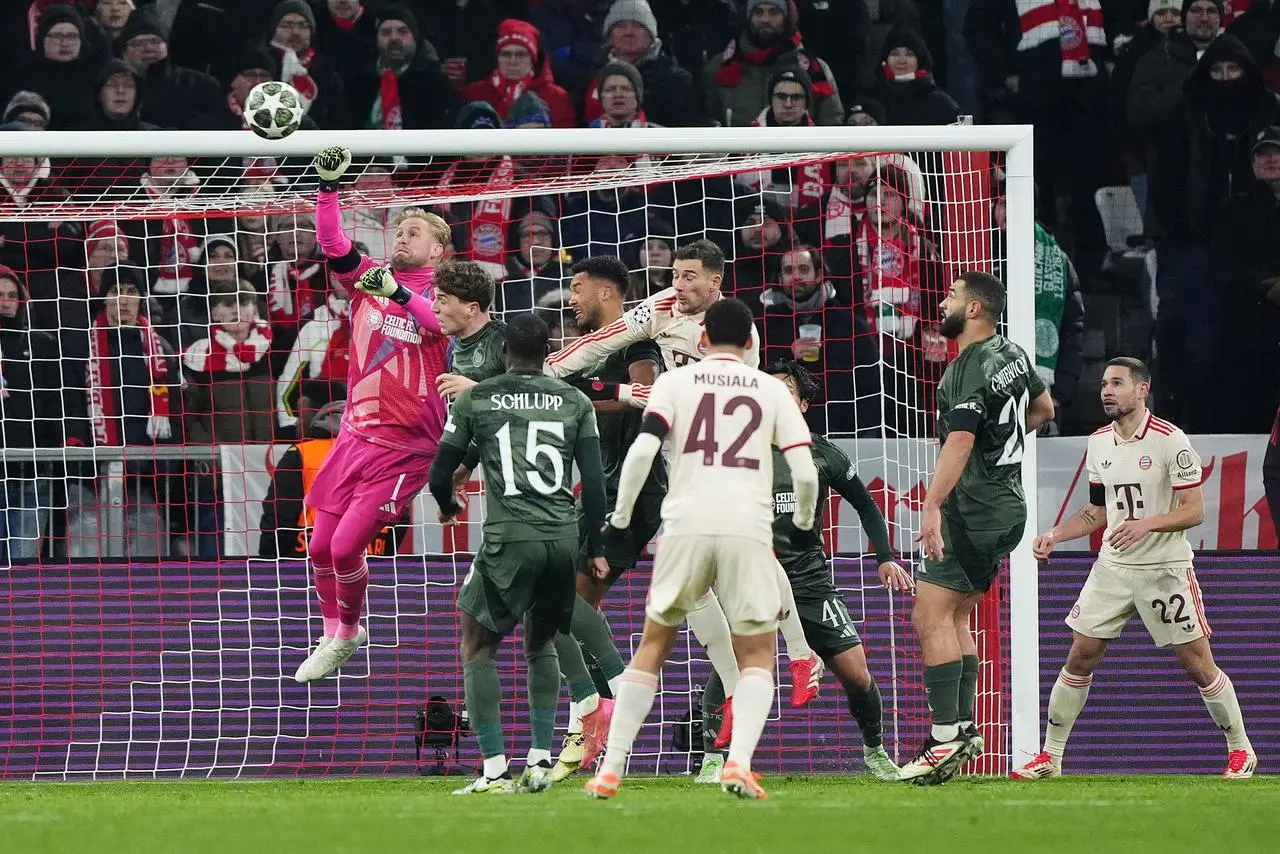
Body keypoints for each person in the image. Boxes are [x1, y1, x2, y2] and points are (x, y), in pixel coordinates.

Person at [543, 240, 826, 738]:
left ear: (715, 284)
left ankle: (801, 657)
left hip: (726, 461)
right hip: (681, 462)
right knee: (691, 586)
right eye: (675, 275)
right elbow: (602, 341)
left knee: (750, 563)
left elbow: (728, 402)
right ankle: (744, 689)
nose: (678, 285)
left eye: (690, 277)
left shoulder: (741, 338)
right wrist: (547, 370)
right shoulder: (660, 308)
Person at [584, 299, 819, 801]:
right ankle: (738, 764)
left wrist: (620, 518)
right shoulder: (770, 390)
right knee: (757, 654)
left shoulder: (673, 383)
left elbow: (643, 451)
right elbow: (804, 470)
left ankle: (613, 767)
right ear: (752, 343)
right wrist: (800, 524)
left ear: (702, 340)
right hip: (746, 531)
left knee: (651, 649)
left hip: (685, 527)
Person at [1013, 358, 1257, 781]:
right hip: (1113, 566)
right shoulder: (1099, 442)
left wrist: (1146, 524)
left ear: (1142, 390)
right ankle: (1050, 758)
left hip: (1164, 568)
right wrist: (1055, 534)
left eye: (1117, 383)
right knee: (1080, 655)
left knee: (1198, 663)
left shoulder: (1171, 441)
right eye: (1104, 383)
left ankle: (1241, 750)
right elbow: (1096, 511)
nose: (1106, 390)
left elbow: (1194, 510)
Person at [697, 360, 910, 785]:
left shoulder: (822, 452)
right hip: (753, 577)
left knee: (856, 672)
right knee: (732, 666)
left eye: (785, 392)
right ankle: (712, 760)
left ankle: (875, 751)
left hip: (809, 578)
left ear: (803, 403)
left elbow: (865, 503)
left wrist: (884, 555)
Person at [428, 313, 609, 795]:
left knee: (475, 643)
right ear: (547, 353)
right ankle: (540, 760)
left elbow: (439, 476)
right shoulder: (576, 400)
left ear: (504, 351)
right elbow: (592, 481)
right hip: (563, 538)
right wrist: (597, 546)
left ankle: (492, 770)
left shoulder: (476, 397)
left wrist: (448, 505)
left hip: (509, 537)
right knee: (541, 643)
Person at [291, 146, 452, 683]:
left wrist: (399, 293)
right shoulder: (369, 278)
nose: (402, 238)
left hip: (408, 444)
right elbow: (333, 244)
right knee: (317, 545)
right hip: (355, 433)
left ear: (438, 248)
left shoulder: (450, 292)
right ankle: (338, 629)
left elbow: (437, 324)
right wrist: (328, 187)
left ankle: (347, 631)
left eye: (413, 232)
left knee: (344, 546)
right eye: (399, 230)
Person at [898, 271, 1055, 785]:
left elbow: (959, 443)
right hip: (1008, 504)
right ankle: (962, 728)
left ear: (973, 311)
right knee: (957, 613)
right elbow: (1043, 408)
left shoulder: (969, 368)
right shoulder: (1011, 353)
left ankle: (944, 740)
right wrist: (999, 444)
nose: (942, 301)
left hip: (976, 508)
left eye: (951, 296)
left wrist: (931, 506)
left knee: (930, 614)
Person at [545, 256, 666, 782]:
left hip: (636, 494)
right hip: (601, 493)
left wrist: (578, 398)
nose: (572, 298)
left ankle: (601, 707)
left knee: (567, 600)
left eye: (577, 288)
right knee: (565, 603)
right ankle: (598, 712)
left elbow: (647, 397)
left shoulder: (640, 348)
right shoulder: (588, 359)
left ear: (608, 294)